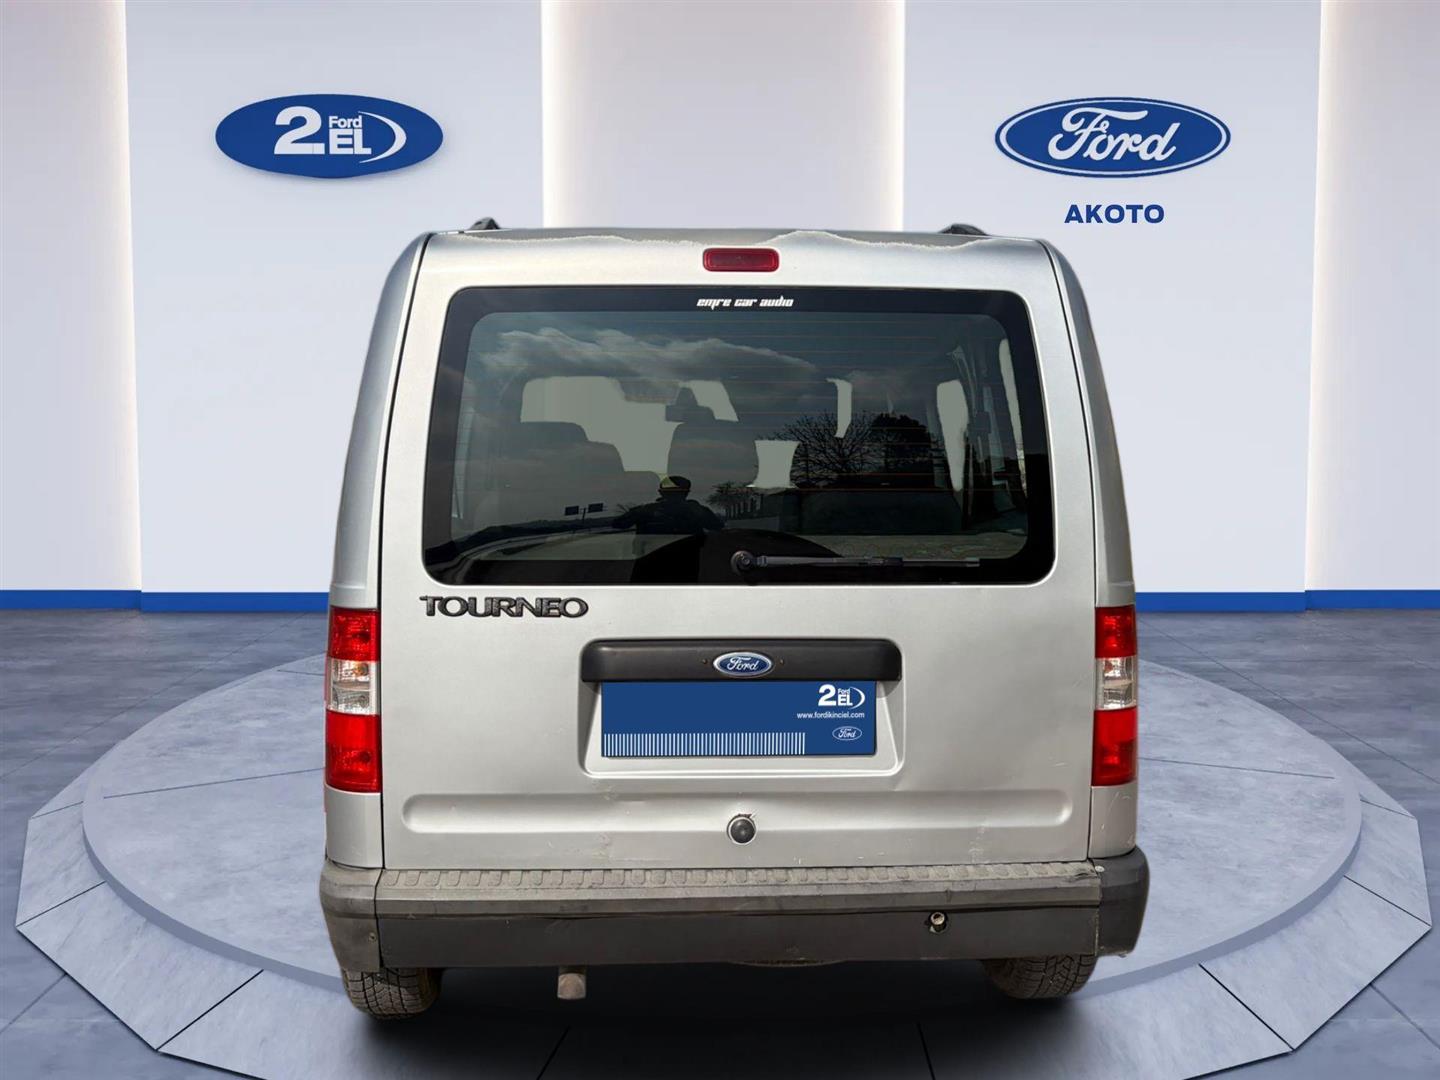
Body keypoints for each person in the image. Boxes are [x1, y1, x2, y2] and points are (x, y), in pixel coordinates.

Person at [613, 475, 725, 535]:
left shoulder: (645, 511)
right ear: (686, 493)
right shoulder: (698, 511)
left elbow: (618, 524)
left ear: (661, 492)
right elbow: (717, 527)